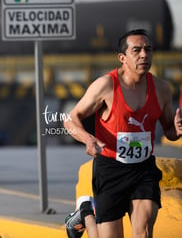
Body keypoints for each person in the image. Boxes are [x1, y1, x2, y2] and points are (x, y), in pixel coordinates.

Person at [63, 29, 182, 238]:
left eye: (148, 49)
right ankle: (86, 214)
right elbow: (70, 119)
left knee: (143, 232)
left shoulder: (162, 89)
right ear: (122, 58)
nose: (144, 55)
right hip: (110, 169)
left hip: (143, 169)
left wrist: (177, 130)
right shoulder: (106, 86)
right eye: (136, 50)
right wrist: (87, 139)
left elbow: (169, 131)